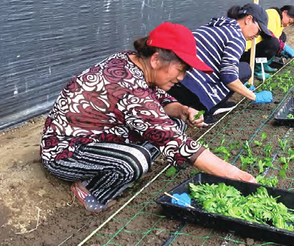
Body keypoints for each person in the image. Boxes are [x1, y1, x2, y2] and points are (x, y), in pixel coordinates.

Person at [40, 22, 256, 213]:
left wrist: (180, 108)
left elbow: (155, 99)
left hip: (100, 134)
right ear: (155, 59)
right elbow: (177, 143)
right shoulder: (128, 87)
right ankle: (90, 191)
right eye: (180, 70)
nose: (181, 78)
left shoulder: (131, 62)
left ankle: (104, 169)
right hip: (66, 151)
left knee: (175, 123)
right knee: (135, 161)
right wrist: (234, 174)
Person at [169, 4, 274, 123]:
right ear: (248, 19)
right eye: (259, 30)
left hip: (171, 82)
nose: (257, 35)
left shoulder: (218, 25)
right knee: (245, 69)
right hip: (189, 90)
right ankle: (206, 109)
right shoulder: (237, 36)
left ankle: (212, 103)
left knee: (238, 69)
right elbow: (228, 76)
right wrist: (253, 96)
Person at [240, 5, 294, 80]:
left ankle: (264, 65)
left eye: (290, 24)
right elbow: (268, 33)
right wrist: (283, 46)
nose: (287, 25)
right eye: (289, 21)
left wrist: (280, 51)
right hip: (247, 51)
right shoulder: (272, 14)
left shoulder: (280, 22)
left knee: (282, 37)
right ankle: (257, 70)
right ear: (284, 12)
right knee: (273, 43)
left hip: (257, 47)